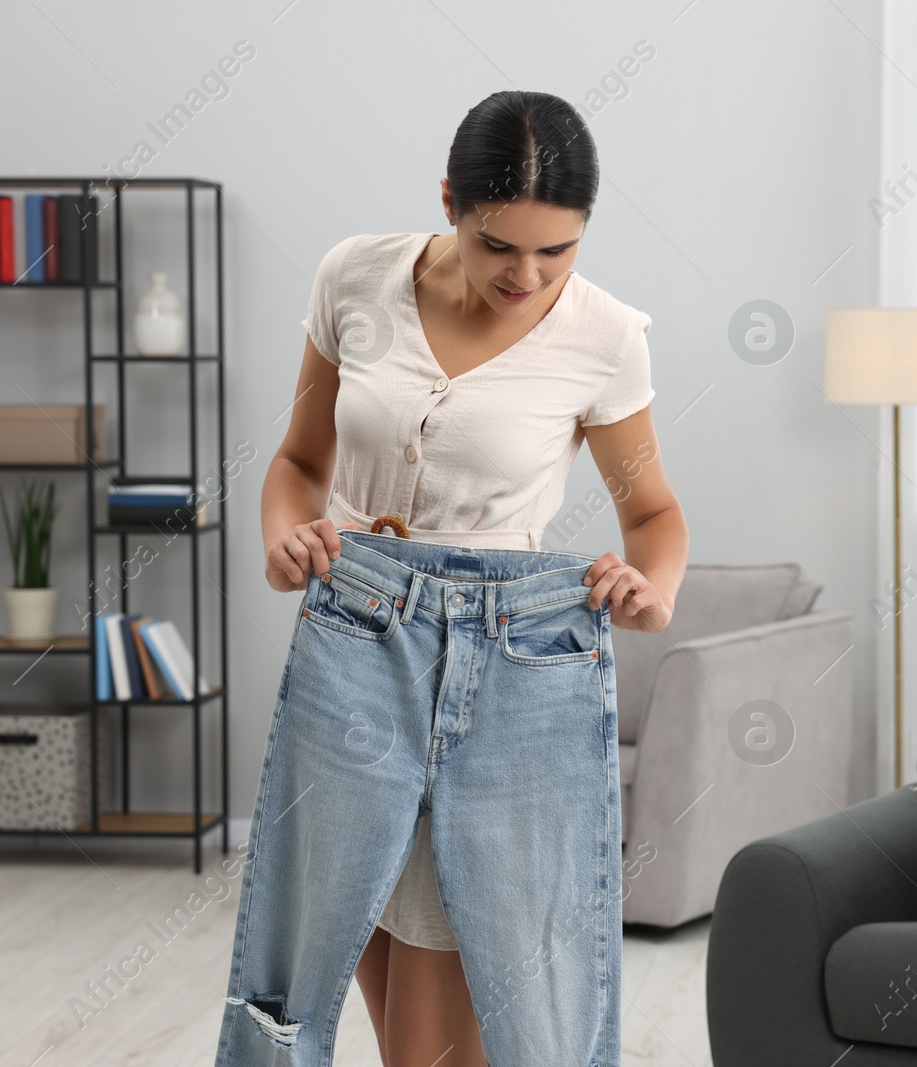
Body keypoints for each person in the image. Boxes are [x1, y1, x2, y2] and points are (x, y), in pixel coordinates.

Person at [256, 89, 687, 1066]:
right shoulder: (354, 278)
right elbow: (297, 462)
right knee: (331, 937)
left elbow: (653, 514)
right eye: (500, 246)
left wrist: (651, 591)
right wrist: (288, 538)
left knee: (435, 1016)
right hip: (354, 641)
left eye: (557, 251)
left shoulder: (604, 335)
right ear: (450, 200)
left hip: (501, 665)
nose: (527, 275)